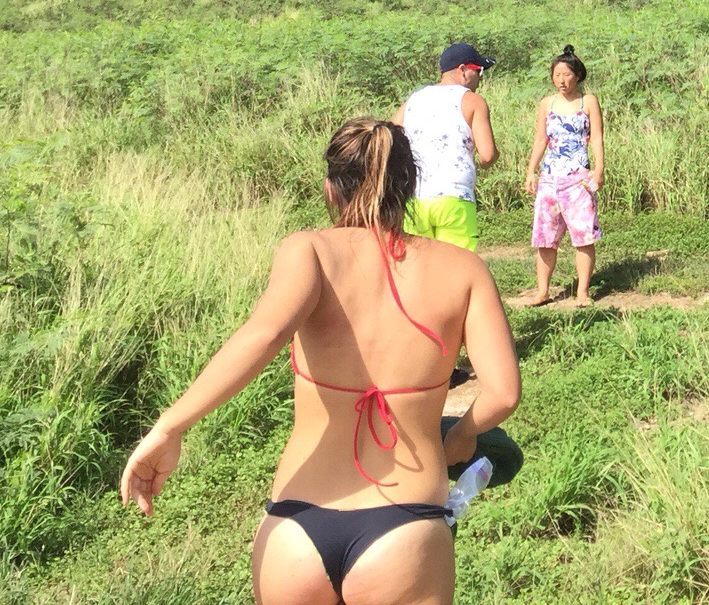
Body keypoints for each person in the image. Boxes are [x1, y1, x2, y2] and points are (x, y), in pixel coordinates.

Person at [119, 117, 521, 605]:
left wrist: (170, 427)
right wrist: (460, 437)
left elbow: (262, 335)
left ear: (331, 188)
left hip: (297, 524)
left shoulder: (309, 250)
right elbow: (503, 393)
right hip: (406, 525)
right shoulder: (464, 268)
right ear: (410, 185)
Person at [516, 46, 604, 307]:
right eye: (557, 75)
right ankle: (542, 291)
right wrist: (531, 171)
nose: (562, 80)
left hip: (579, 180)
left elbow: (597, 138)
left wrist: (599, 170)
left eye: (566, 75)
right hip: (550, 179)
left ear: (577, 75)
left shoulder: (589, 102)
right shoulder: (547, 104)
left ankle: (582, 293)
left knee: (584, 237)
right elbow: (540, 139)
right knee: (545, 238)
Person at [398, 44, 499, 253]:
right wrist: (487, 159)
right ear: (463, 70)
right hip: (454, 197)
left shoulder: (413, 100)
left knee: (417, 265)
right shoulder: (473, 101)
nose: (480, 78)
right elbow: (487, 155)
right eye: (479, 71)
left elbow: (389, 138)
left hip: (414, 199)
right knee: (458, 265)